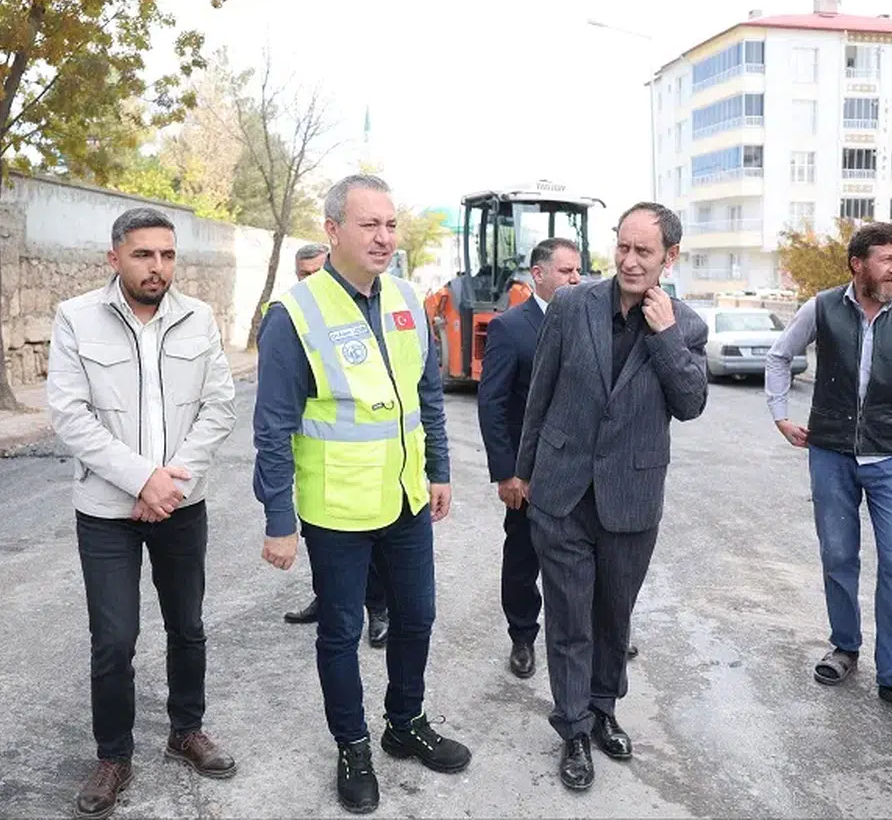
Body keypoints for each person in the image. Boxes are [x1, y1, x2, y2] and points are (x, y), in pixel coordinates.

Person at [252, 174, 470, 814]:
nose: (384, 237)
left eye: (391, 224)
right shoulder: (294, 315)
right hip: (337, 508)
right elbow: (273, 428)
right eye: (369, 224)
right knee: (342, 631)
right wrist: (277, 518)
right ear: (333, 230)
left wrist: (439, 469)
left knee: (417, 618)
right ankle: (352, 746)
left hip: (405, 499)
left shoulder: (407, 299)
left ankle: (404, 723)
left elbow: (426, 396)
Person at [46, 207, 239, 819]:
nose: (157, 267)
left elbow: (219, 407)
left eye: (167, 255)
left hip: (181, 503)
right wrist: (141, 479)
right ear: (114, 257)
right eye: (143, 255)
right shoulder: (77, 318)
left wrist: (171, 482)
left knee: (188, 626)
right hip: (107, 509)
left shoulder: (198, 318)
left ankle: (186, 730)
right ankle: (114, 756)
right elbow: (71, 416)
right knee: (114, 639)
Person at [513, 202, 708, 791]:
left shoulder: (687, 325)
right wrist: (524, 475)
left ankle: (603, 710)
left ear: (669, 257)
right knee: (570, 615)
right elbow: (540, 392)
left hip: (631, 495)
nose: (627, 260)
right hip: (563, 490)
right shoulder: (573, 306)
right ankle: (573, 728)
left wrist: (665, 334)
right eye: (622, 246)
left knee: (612, 616)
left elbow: (690, 403)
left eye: (642, 251)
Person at [764, 220, 892, 724]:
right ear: (858, 264)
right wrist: (781, 414)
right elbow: (780, 356)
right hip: (829, 454)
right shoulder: (823, 306)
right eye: (887, 259)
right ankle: (845, 648)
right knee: (838, 555)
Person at [477, 237, 581, 679]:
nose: (576, 279)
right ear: (538, 274)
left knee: (584, 557)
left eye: (579, 271)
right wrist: (507, 472)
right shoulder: (510, 328)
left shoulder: (589, 321)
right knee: (523, 558)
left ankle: (590, 633)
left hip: (580, 469)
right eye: (566, 271)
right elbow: (492, 404)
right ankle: (523, 637)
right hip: (530, 473)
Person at [281, 243, 390, 649]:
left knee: (370, 547)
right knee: (318, 539)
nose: (311, 282)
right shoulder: (294, 316)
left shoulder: (357, 316)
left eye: (316, 272)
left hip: (366, 467)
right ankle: (326, 597)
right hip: (317, 462)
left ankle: (377, 609)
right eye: (303, 275)